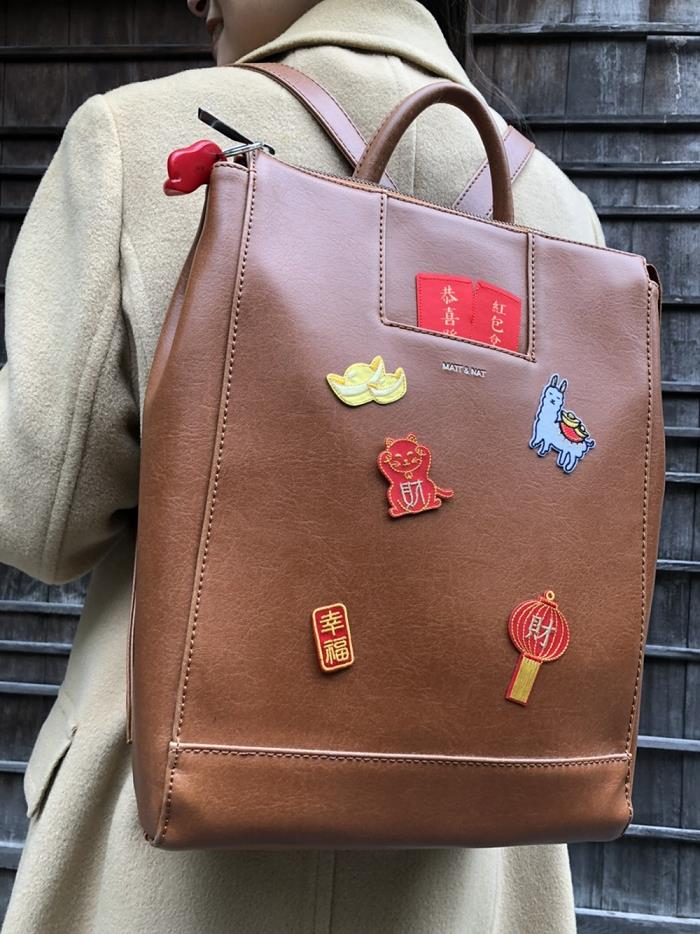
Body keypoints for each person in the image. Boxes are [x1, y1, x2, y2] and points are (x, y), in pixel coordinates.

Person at [0, 1, 603, 931]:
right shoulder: (560, 206)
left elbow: (36, 521)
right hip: (472, 859)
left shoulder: (135, 138)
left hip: (168, 842)